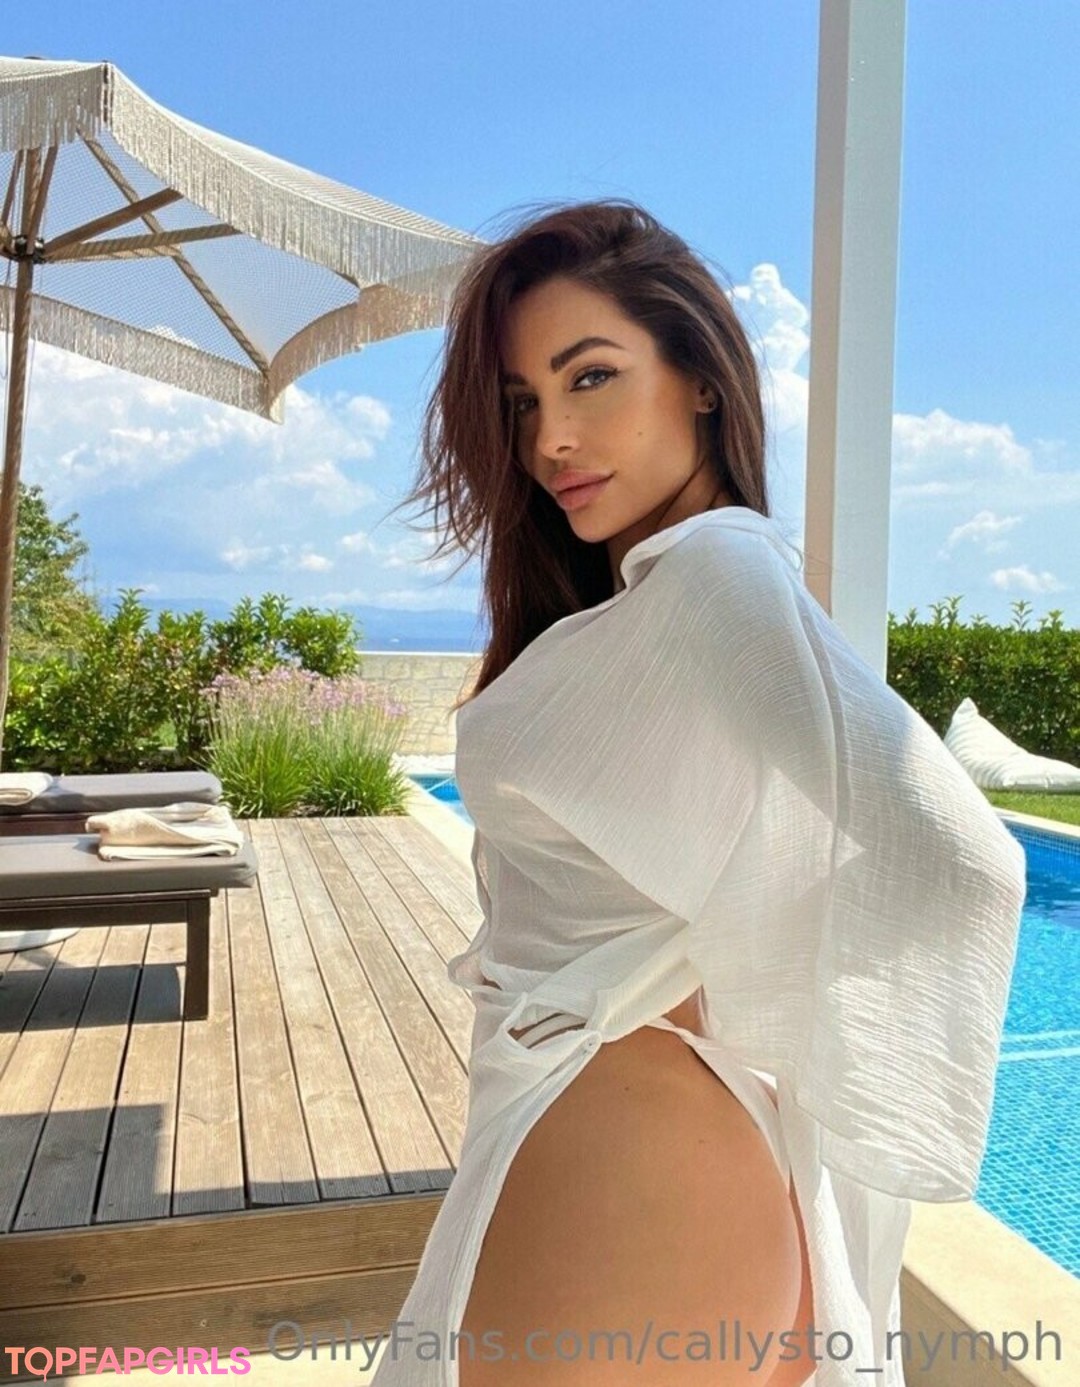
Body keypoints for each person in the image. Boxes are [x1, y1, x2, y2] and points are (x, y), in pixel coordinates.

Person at [372, 200, 1026, 1385]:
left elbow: (956, 861)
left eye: (592, 377)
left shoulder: (717, 573)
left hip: (634, 1163)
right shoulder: (652, 601)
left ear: (703, 382)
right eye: (522, 401)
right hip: (624, 1146)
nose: (551, 439)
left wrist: (729, 998)